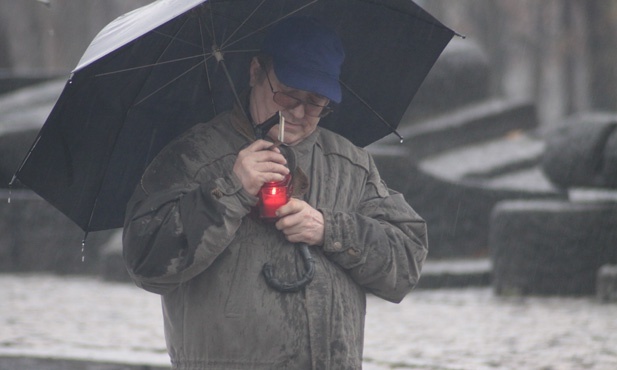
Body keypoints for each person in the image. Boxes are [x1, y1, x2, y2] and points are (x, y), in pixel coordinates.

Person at [123, 16, 428, 370]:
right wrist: (231, 188)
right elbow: (147, 262)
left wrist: (331, 229)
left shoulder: (350, 164)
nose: (298, 112)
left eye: (316, 102)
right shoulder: (193, 156)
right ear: (255, 72)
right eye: (288, 94)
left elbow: (406, 262)